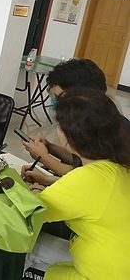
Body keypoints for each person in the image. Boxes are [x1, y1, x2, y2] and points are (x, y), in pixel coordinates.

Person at [21, 88, 130, 280]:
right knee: (39, 244)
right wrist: (46, 181)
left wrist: (33, 189)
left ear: (69, 135)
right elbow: (95, 196)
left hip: (102, 274)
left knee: (21, 255)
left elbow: (30, 214)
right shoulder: (120, 165)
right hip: (114, 260)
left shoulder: (86, 178)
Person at [21, 58, 114, 185]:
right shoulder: (92, 118)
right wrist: (49, 147)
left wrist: (45, 159)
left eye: (61, 98)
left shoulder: (112, 129)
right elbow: (77, 158)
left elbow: (86, 178)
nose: (58, 104)